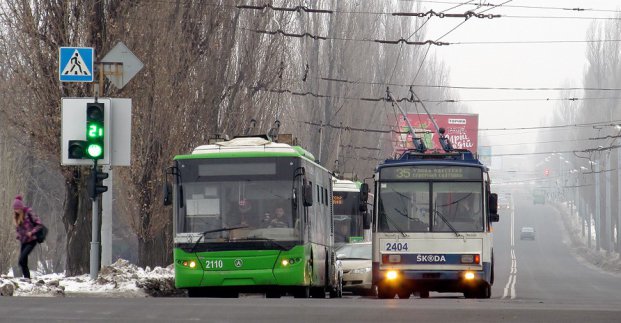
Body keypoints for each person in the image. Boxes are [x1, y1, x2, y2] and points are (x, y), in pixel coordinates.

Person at [13, 195, 43, 279]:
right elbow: (18, 229)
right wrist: (18, 235)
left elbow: (39, 225)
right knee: (23, 262)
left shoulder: (29, 212)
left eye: (18, 209)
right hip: (23, 241)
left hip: (32, 240)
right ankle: (27, 279)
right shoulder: (17, 216)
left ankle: (27, 279)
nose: (16, 211)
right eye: (15, 209)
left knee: (22, 258)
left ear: (21, 207)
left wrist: (31, 232)